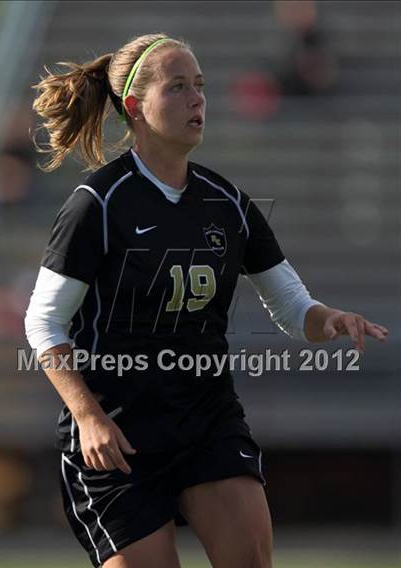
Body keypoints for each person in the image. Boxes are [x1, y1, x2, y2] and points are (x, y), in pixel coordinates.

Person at [25, 33, 388, 568]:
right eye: (176, 88)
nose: (196, 100)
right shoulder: (98, 204)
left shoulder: (227, 204)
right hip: (118, 435)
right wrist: (88, 416)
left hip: (205, 422)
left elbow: (291, 307)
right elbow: (43, 321)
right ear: (135, 108)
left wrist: (328, 319)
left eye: (199, 86)